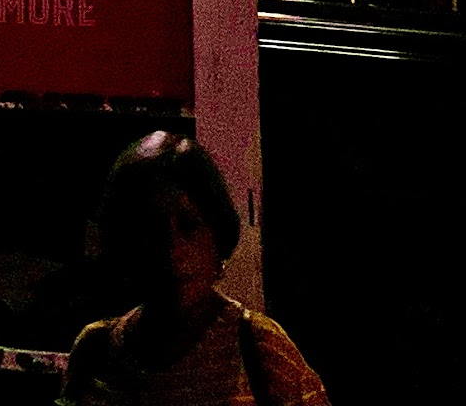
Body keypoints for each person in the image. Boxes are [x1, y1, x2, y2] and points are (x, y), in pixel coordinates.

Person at [59, 133, 329, 404]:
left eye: (190, 227)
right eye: (151, 231)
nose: (172, 250)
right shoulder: (95, 352)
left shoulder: (261, 348)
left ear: (217, 234)